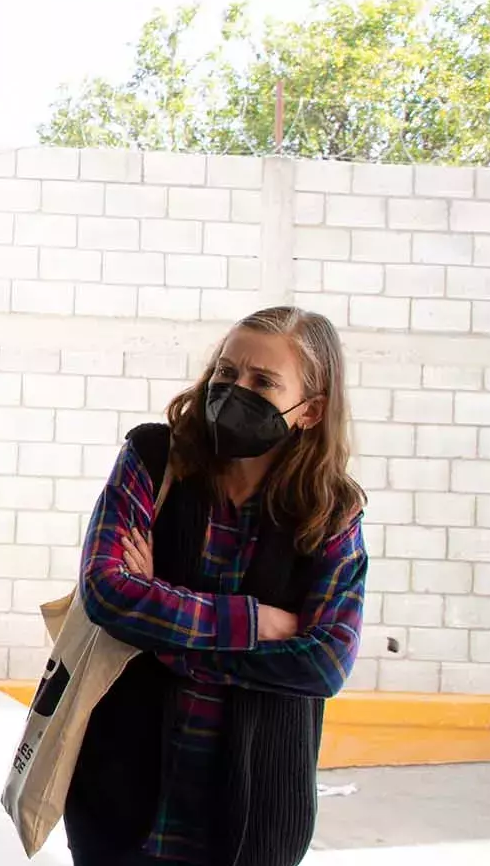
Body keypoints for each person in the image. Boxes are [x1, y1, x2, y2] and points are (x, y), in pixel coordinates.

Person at [66, 306, 368, 866]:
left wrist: (164, 637)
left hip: (253, 820)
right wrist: (255, 623)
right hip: (119, 803)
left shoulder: (331, 511)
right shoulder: (154, 459)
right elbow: (107, 591)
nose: (235, 391)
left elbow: (325, 662)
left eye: (263, 382)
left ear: (310, 410)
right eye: (227, 373)